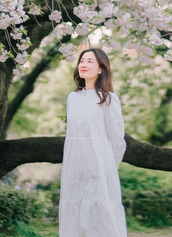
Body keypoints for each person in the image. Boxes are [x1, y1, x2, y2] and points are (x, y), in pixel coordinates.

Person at [59, 48, 127, 237]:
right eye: (82, 60)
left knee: (101, 213)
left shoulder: (109, 99)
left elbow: (117, 139)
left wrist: (107, 169)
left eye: (90, 61)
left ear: (100, 69)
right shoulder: (72, 98)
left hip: (99, 165)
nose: (84, 64)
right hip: (74, 166)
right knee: (74, 208)